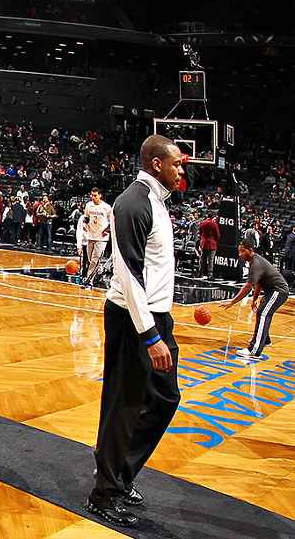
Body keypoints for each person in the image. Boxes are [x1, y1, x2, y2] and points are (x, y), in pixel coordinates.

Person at [87, 135, 184, 527]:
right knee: (124, 403)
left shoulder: (158, 202)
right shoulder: (133, 202)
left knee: (165, 397)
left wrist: (160, 326)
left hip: (157, 317)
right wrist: (149, 335)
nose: (182, 170)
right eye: (177, 163)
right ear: (157, 163)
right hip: (133, 320)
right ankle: (104, 493)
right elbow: (127, 273)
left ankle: (120, 472)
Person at [223, 240, 289, 359]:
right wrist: (254, 299)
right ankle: (265, 340)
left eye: (242, 251)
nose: (240, 254)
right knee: (262, 312)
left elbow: (248, 287)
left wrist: (233, 302)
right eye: (239, 251)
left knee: (263, 313)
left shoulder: (256, 263)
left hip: (278, 291)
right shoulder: (254, 262)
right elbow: (258, 283)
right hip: (272, 291)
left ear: (250, 250)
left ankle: (254, 350)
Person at [82, 188, 112, 288]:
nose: (93, 197)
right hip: (90, 235)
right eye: (92, 195)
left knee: (95, 260)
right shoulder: (88, 205)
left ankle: (88, 282)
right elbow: (86, 217)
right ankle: (100, 271)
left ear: (100, 195)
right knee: (91, 259)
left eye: (95, 195)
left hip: (101, 238)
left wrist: (107, 230)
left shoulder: (106, 207)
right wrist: (84, 224)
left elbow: (112, 220)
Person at [198, 213, 220, 279]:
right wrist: (215, 240)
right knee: (211, 260)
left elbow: (200, 232)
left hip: (204, 243)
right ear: (212, 217)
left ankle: (200, 273)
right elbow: (217, 234)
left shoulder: (202, 223)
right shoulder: (214, 224)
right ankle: (210, 275)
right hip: (211, 243)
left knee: (202, 259)